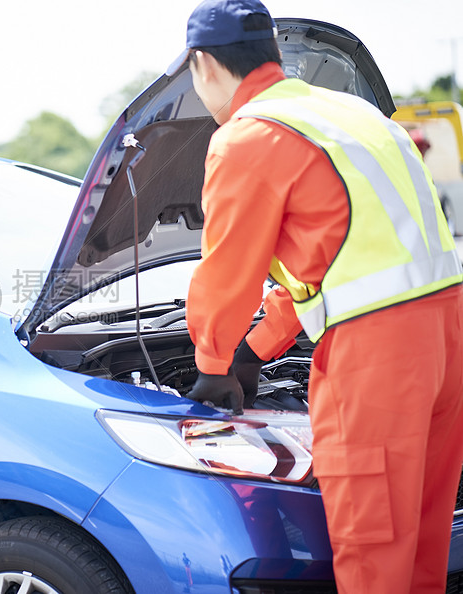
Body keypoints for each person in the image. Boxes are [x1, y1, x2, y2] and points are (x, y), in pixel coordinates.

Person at [173, 0, 463, 592]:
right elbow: (344, 254)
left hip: (376, 354)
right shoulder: (353, 115)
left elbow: (227, 272)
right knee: (422, 548)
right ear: (273, 54)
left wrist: (214, 364)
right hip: (447, 335)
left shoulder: (248, 137)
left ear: (202, 64)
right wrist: (258, 348)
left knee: (372, 542)